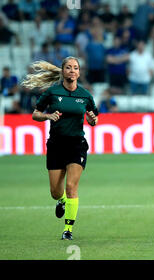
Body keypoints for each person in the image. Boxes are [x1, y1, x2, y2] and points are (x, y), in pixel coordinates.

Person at [21, 57, 98, 240]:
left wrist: (92, 120)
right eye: (69, 68)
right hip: (56, 144)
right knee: (56, 192)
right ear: (63, 71)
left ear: (79, 73)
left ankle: (68, 230)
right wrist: (48, 116)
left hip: (76, 145)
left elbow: (93, 117)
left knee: (71, 186)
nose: (72, 71)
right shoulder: (52, 93)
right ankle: (61, 201)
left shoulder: (85, 95)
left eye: (75, 68)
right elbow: (35, 114)